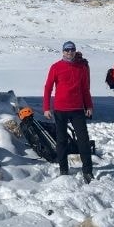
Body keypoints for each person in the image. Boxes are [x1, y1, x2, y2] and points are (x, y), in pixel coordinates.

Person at [43, 40, 95, 183]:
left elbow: (85, 90)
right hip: (60, 109)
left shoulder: (81, 68)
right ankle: (63, 169)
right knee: (61, 141)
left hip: (77, 109)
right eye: (67, 50)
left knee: (83, 140)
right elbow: (48, 88)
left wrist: (89, 106)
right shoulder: (56, 67)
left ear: (75, 51)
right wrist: (46, 108)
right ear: (63, 51)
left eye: (72, 50)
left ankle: (88, 171)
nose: (69, 52)